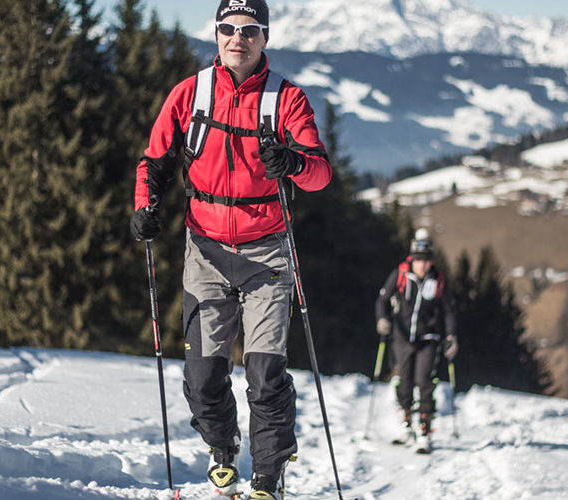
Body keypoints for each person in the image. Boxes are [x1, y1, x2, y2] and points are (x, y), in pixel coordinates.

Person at [129, 0, 332, 498]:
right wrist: (145, 206)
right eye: (227, 28)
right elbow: (153, 161)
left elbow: (319, 174)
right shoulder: (190, 93)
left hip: (266, 253)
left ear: (264, 37)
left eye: (248, 29)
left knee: (265, 374)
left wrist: (291, 161)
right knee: (204, 375)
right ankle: (223, 450)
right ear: (216, 34)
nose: (236, 37)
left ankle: (268, 475)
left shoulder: (286, 100)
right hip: (205, 248)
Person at [374, 228, 458, 453]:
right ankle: (406, 424)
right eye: (418, 260)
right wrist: (382, 319)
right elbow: (382, 299)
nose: (422, 265)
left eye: (426, 260)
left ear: (431, 261)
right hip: (401, 338)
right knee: (405, 382)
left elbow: (449, 310)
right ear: (411, 259)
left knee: (425, 381)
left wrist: (451, 336)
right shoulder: (400, 275)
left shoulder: (438, 280)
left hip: (428, 339)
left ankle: (425, 430)